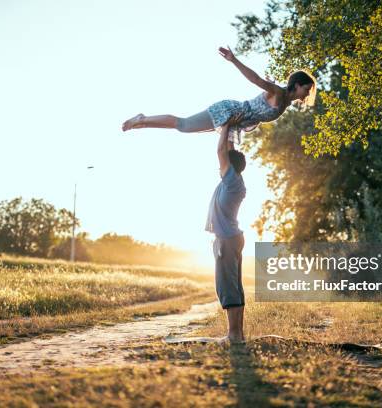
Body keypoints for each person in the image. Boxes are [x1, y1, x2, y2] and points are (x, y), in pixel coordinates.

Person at [121, 46, 316, 144]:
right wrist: (234, 60)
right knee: (183, 125)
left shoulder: (284, 103)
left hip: (234, 122)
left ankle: (143, 123)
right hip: (230, 111)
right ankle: (142, 118)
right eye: (306, 89)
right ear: (297, 85)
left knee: (185, 128)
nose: (307, 94)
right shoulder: (279, 93)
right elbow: (256, 80)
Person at [206, 120, 247, 343]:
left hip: (227, 240)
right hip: (232, 237)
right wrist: (231, 131)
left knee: (227, 286)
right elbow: (228, 151)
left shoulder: (231, 182)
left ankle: (233, 335)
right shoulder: (234, 180)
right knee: (234, 285)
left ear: (229, 166)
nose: (219, 164)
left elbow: (221, 150)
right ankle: (238, 334)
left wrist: (225, 127)